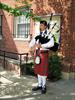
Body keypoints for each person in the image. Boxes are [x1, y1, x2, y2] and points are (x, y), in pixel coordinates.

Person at [29, 20, 54, 94]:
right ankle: (39, 85)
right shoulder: (37, 34)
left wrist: (42, 45)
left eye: (42, 25)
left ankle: (43, 86)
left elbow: (51, 43)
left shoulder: (49, 34)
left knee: (43, 71)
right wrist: (31, 47)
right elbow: (32, 42)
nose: (40, 26)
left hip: (44, 54)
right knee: (38, 71)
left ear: (46, 26)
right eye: (40, 25)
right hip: (37, 53)